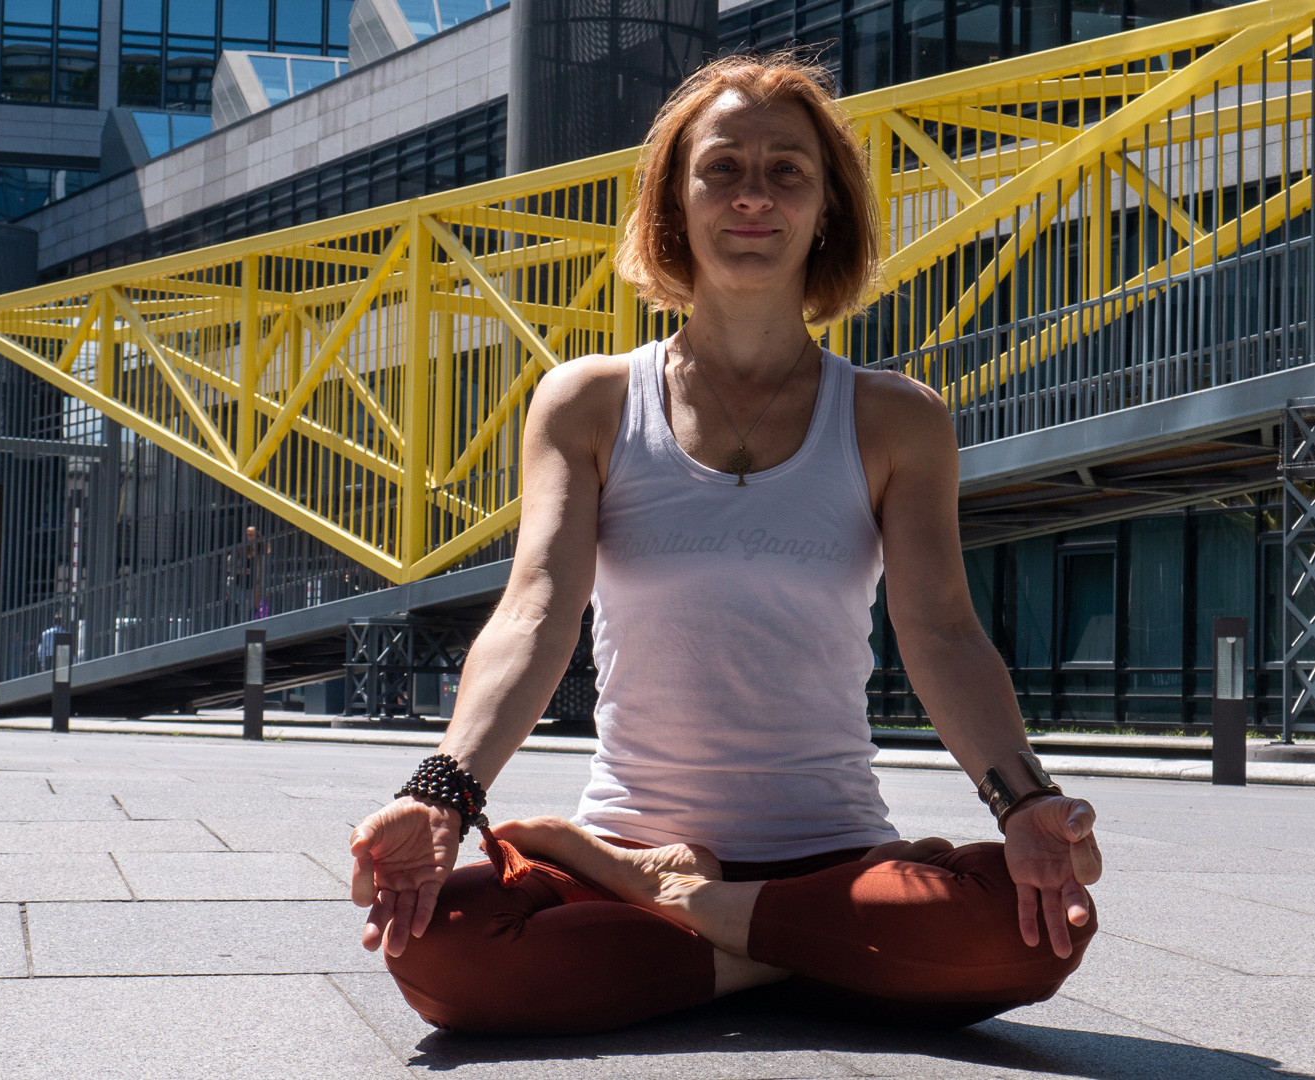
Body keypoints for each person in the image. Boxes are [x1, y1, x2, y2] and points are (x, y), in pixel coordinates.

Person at [349, 53, 1103, 1035]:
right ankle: (813, 955)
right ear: (674, 199)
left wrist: (1024, 805)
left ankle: (696, 915)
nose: (755, 197)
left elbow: (945, 634)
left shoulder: (896, 419)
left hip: (832, 856)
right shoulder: (590, 402)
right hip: (641, 839)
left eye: (787, 171)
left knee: (1035, 926)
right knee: (439, 952)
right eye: (724, 168)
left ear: (826, 207)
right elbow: (537, 609)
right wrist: (442, 792)